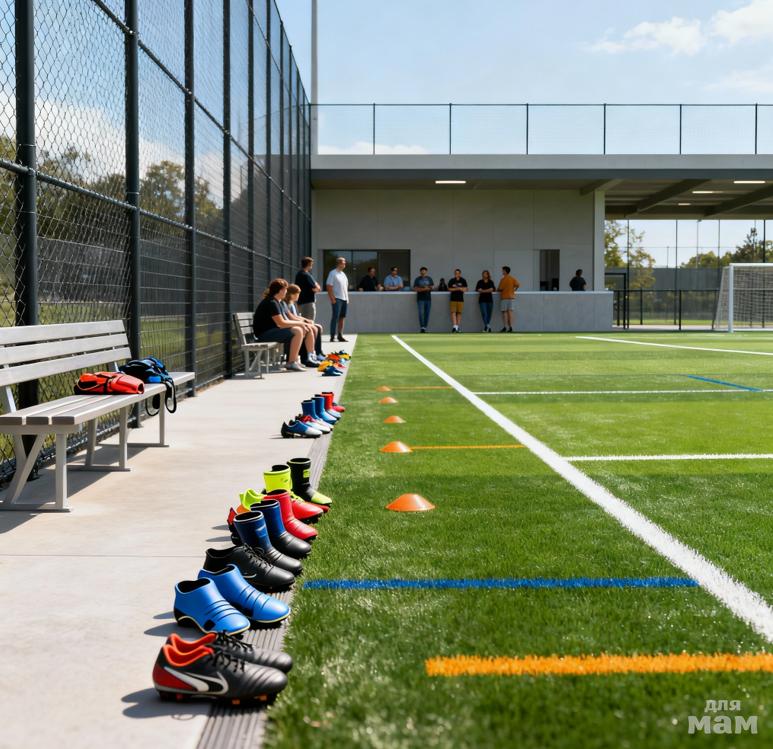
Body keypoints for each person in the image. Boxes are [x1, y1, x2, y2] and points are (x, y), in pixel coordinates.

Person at [253, 279, 315, 372]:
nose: (286, 292)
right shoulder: (272, 302)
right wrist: (301, 323)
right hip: (264, 335)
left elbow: (283, 322)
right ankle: (291, 362)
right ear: (281, 290)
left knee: (298, 329)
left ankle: (294, 360)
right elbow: (281, 323)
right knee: (297, 330)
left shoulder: (276, 302)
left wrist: (301, 324)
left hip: (271, 332)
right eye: (285, 289)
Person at [285, 284, 325, 365]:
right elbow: (291, 317)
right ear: (292, 294)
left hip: (294, 324)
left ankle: (317, 353)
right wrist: (304, 322)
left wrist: (306, 320)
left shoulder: (292, 303)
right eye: (297, 294)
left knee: (317, 327)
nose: (298, 296)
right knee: (311, 328)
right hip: (291, 325)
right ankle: (307, 357)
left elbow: (296, 316)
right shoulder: (286, 304)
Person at [326, 256, 349, 343]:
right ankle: (332, 336)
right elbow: (329, 286)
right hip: (337, 299)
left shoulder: (343, 274)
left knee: (342, 317)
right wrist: (332, 298)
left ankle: (340, 335)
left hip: (344, 299)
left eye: (345, 263)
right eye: (343, 263)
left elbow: (345, 287)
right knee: (335, 317)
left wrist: (347, 298)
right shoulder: (332, 273)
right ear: (339, 263)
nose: (345, 264)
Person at [294, 256, 321, 321]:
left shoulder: (299, 274)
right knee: (309, 322)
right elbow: (317, 288)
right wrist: (316, 286)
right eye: (311, 264)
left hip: (301, 302)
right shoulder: (306, 275)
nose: (312, 266)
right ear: (309, 264)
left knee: (304, 322)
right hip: (307, 303)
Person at [497, 266, 521, 333]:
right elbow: (518, 285)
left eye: (503, 270)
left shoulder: (503, 279)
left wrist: (498, 289)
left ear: (505, 271)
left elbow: (500, 289)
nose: (502, 271)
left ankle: (505, 327)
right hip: (511, 297)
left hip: (504, 297)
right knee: (510, 312)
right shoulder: (512, 278)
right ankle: (511, 327)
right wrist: (514, 290)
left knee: (504, 312)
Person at [412, 266, 434, 332]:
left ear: (426, 272)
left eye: (424, 272)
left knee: (427, 313)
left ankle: (425, 327)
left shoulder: (429, 279)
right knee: (421, 313)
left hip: (428, 299)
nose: (423, 273)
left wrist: (428, 288)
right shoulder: (417, 279)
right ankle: (422, 327)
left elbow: (432, 287)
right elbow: (415, 288)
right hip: (420, 299)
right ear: (420, 272)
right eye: (422, 272)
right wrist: (424, 289)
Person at [447, 268, 468, 333]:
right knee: (453, 312)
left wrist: (460, 289)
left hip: (460, 299)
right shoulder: (452, 280)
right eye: (456, 273)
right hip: (453, 299)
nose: (457, 274)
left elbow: (466, 289)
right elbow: (449, 289)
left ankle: (458, 327)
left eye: (458, 273)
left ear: (460, 274)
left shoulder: (463, 280)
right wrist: (457, 289)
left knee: (459, 313)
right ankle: (454, 327)